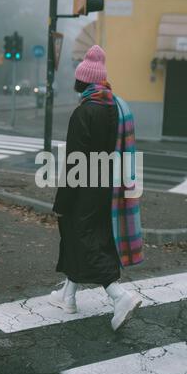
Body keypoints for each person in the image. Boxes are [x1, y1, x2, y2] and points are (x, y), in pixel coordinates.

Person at [50, 45, 144, 331]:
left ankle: (119, 295)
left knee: (82, 237)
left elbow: (74, 164)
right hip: (109, 188)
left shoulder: (84, 113)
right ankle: (67, 296)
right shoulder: (115, 107)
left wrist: (62, 203)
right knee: (88, 236)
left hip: (84, 188)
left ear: (84, 81)